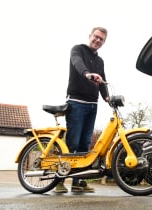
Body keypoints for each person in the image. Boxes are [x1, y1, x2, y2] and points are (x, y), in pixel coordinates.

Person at [54, 26, 109, 193]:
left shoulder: (100, 61)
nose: (98, 40)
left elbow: (103, 80)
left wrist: (108, 98)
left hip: (92, 105)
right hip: (76, 102)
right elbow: (77, 63)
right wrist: (87, 74)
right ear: (90, 36)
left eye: (102, 39)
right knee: (72, 143)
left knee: (85, 145)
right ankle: (59, 180)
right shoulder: (77, 50)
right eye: (96, 37)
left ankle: (77, 182)